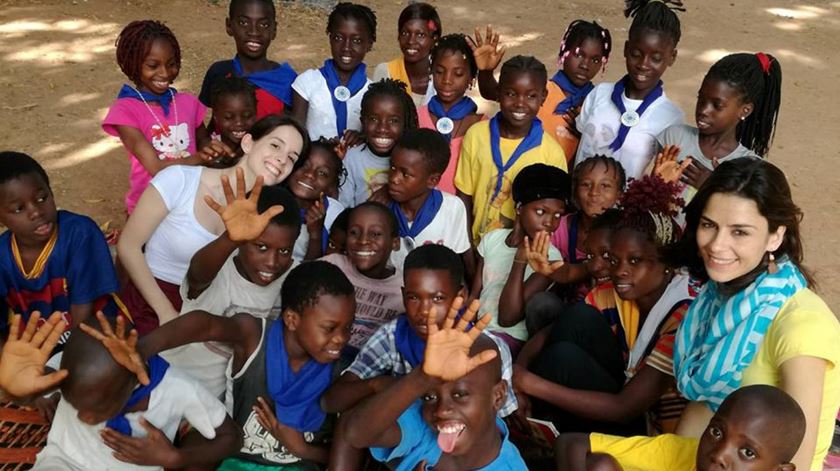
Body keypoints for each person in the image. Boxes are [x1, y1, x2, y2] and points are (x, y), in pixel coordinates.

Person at [668, 159, 840, 471]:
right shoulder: (720, 298)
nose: (717, 245)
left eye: (740, 232)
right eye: (709, 225)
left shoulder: (802, 326)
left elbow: (795, 462)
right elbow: (703, 410)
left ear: (775, 237)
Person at [121, 262, 356, 469]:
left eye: (348, 328)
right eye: (329, 328)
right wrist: (142, 349)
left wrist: (302, 449)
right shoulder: (255, 338)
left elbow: (350, 452)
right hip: (237, 463)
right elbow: (204, 325)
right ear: (292, 319)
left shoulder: (346, 370)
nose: (341, 339)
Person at [514, 175, 697, 436]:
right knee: (573, 325)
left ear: (667, 264)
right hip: (621, 390)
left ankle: (554, 430)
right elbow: (552, 331)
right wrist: (518, 374)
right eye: (614, 260)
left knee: (561, 360)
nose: (620, 271)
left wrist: (531, 383)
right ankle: (541, 424)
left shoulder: (683, 316)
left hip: (648, 425)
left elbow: (625, 408)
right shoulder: (615, 292)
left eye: (635, 261)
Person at [322, 245, 517, 471]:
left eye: (437, 298)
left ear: (460, 296)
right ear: (404, 296)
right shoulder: (392, 337)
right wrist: (383, 385)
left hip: (456, 443)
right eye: (415, 297)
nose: (426, 311)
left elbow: (491, 423)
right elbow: (333, 404)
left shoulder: (488, 351)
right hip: (402, 438)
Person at [117, 115, 308, 335]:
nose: (281, 159)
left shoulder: (270, 215)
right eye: (275, 145)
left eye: (292, 157)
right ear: (247, 143)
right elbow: (128, 246)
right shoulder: (180, 180)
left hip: (214, 317)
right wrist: (165, 312)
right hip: (151, 304)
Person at [1, 313, 240, 470]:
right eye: (75, 405)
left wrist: (175, 458)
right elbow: (30, 392)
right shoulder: (69, 362)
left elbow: (232, 438)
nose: (85, 418)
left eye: (96, 409)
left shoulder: (178, 388)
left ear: (132, 382)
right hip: (62, 462)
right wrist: (14, 391)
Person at [341, 300, 527, 470]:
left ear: (498, 396)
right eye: (429, 396)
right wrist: (420, 378)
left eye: (460, 395)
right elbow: (356, 434)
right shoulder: (423, 423)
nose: (440, 410)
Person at [160, 175, 301, 398]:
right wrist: (230, 238)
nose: (272, 262)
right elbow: (198, 276)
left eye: (284, 251)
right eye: (261, 247)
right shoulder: (219, 265)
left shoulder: (293, 278)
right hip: (169, 382)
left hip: (219, 402)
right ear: (242, 240)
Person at [0, 152, 127, 338]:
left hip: (91, 335)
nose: (36, 212)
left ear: (50, 192)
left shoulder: (80, 234)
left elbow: (83, 313)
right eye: (19, 209)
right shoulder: (3, 256)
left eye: (42, 198)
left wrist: (65, 361)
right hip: (37, 343)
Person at [555, 385, 807, 471]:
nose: (719, 455)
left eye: (748, 453)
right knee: (600, 465)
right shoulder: (679, 452)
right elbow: (570, 443)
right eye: (717, 432)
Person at [454, 55, 567, 244]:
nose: (520, 103)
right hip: (475, 247)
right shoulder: (476, 136)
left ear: (543, 97)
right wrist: (467, 252)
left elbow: (552, 214)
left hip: (522, 255)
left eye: (531, 95)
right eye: (511, 93)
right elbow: (464, 197)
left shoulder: (551, 153)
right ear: (498, 92)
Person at [102, 20, 210, 214]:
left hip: (189, 202)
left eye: (171, 64)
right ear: (133, 64)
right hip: (148, 209)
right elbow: (158, 168)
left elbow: (203, 139)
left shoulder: (187, 102)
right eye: (153, 65)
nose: (165, 73)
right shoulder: (125, 111)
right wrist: (203, 158)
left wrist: (212, 149)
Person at [574, 0, 685, 181]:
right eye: (636, 54)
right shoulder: (599, 94)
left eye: (656, 58)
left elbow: (666, 176)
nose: (643, 64)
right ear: (626, 49)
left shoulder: (672, 118)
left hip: (626, 209)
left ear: (671, 57)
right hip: (578, 202)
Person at [654, 52, 782, 207]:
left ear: (745, 110)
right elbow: (649, 200)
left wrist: (714, 186)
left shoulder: (749, 167)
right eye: (701, 99)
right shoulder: (675, 138)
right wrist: (657, 184)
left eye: (717, 105)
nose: (704, 110)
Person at [473, 20, 612, 161]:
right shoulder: (541, 89)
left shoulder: (596, 102)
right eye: (579, 55)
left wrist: (584, 133)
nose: (585, 65)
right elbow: (491, 92)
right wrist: (486, 71)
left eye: (595, 60)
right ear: (564, 50)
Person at [472, 164, 569, 354]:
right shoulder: (493, 239)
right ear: (519, 207)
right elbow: (475, 295)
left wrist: (520, 260)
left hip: (510, 340)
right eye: (541, 211)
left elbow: (507, 318)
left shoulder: (550, 258)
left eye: (557, 215)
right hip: (477, 331)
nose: (550, 222)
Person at [320, 202, 403, 361]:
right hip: (324, 355)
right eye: (354, 232)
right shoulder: (331, 266)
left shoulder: (403, 289)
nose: (363, 240)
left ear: (395, 242)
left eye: (376, 234)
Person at [387, 129, 471, 271]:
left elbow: (457, 258)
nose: (394, 179)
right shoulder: (381, 209)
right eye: (392, 167)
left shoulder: (452, 208)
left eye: (405, 174)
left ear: (432, 180)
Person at [198, 0, 297, 120]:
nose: (254, 32)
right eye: (243, 23)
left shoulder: (288, 81)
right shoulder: (219, 72)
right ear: (229, 26)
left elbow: (294, 131)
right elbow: (214, 123)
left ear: (274, 30)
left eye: (264, 24)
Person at [291, 2, 376, 141]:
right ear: (330, 38)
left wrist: (361, 137)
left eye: (357, 40)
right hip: (314, 160)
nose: (346, 47)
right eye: (338, 38)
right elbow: (295, 135)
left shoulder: (372, 93)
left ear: (369, 44)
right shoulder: (307, 82)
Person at [418, 33, 484, 194]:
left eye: (458, 74)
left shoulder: (481, 125)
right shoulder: (415, 117)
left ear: (471, 78)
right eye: (440, 71)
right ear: (432, 72)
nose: (447, 80)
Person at [338, 78, 418, 208]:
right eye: (374, 119)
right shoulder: (351, 159)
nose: (382, 128)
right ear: (362, 121)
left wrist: (389, 190)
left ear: (405, 123)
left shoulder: (413, 160)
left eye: (393, 121)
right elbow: (343, 206)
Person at [286, 139, 346, 261]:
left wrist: (315, 234)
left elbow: (314, 272)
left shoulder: (336, 214)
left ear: (331, 186)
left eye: (322, 173)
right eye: (304, 165)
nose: (310, 174)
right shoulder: (271, 200)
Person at [372, 2, 441, 107]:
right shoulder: (386, 73)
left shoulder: (443, 76)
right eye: (405, 33)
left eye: (420, 35)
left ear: (434, 39)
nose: (411, 41)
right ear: (398, 36)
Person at [205, 76, 259, 168]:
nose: (239, 123)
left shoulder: (261, 146)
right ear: (215, 117)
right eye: (228, 117)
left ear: (255, 113)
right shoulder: (209, 149)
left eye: (247, 116)